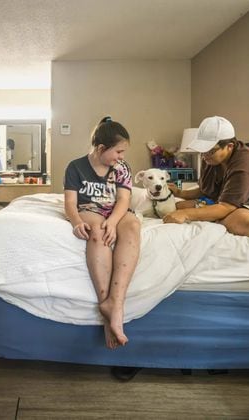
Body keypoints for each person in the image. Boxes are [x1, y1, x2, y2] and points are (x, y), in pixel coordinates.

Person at [63, 116, 141, 349]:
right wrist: (76, 221)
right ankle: (107, 311)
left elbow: (123, 199)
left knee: (134, 226)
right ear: (100, 148)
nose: (122, 157)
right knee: (96, 233)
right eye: (118, 152)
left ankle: (115, 304)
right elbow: (70, 202)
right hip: (89, 209)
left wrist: (115, 222)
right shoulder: (76, 167)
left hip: (115, 210)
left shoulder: (122, 169)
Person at [164, 116, 249, 236]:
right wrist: (180, 193)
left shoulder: (245, 163)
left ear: (229, 146)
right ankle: (213, 217)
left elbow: (226, 207)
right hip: (228, 205)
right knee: (179, 206)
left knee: (243, 219)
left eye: (210, 151)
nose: (204, 156)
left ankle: (214, 218)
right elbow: (205, 191)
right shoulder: (210, 159)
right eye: (202, 151)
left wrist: (187, 214)